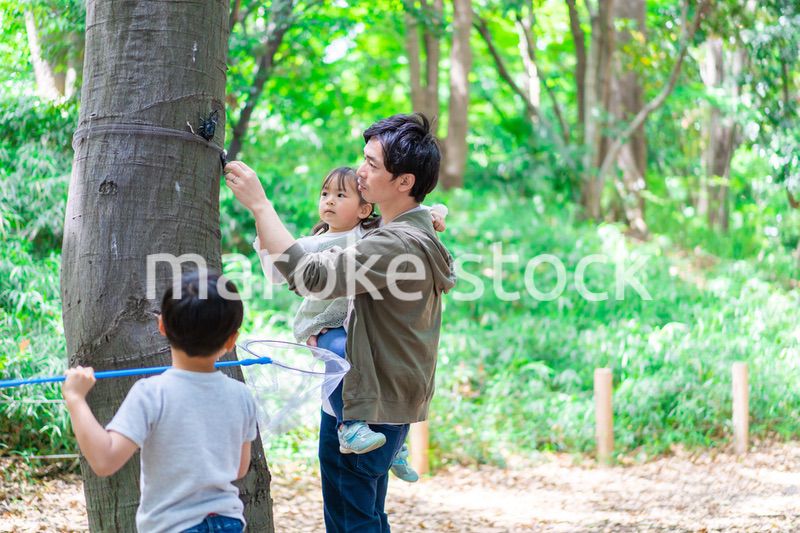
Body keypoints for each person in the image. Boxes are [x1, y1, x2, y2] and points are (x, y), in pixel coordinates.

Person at [224, 112, 456, 532]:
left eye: (372, 164)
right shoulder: (412, 232)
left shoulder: (395, 245)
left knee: (352, 521)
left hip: (366, 403)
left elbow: (311, 277)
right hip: (383, 398)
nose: (361, 171)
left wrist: (259, 204)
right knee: (368, 515)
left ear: (404, 182)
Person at [253, 166, 446, 474]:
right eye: (325, 194)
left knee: (388, 365)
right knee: (340, 356)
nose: (329, 200)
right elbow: (277, 272)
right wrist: (263, 224)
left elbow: (414, 214)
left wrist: (435, 215)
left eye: (341, 195)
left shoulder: (371, 234)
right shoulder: (312, 244)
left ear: (364, 209)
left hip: (356, 321)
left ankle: (396, 446)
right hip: (324, 323)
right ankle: (349, 425)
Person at [62, 271, 257, 533]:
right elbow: (239, 468)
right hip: (229, 523)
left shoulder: (151, 394)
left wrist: (76, 399)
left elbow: (105, 460)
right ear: (232, 339)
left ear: (162, 325)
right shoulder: (241, 395)